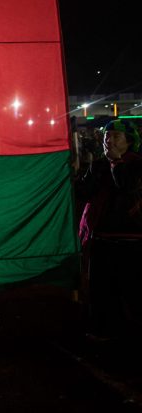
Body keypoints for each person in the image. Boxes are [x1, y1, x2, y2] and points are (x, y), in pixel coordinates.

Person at [75, 119, 142, 337]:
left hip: (130, 240)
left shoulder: (136, 164)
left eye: (116, 137)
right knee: (101, 291)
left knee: (130, 290)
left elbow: (126, 186)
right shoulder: (99, 165)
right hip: (101, 238)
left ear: (129, 142)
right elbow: (83, 193)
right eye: (106, 136)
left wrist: (116, 163)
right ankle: (103, 332)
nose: (108, 141)